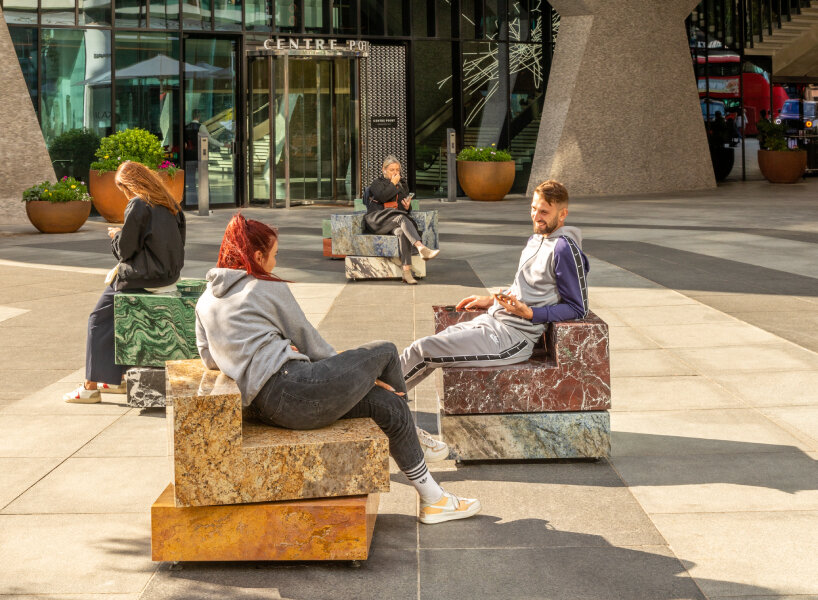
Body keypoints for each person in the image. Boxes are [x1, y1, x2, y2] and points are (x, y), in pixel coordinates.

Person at [194, 214, 480, 525]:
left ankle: (433, 499)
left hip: (264, 407)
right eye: (274, 255)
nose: (276, 262)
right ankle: (415, 436)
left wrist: (262, 351)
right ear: (258, 256)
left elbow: (209, 358)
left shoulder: (205, 300)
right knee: (385, 351)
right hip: (295, 389)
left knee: (389, 405)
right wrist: (356, 375)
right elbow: (311, 343)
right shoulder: (262, 286)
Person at [401, 179, 589, 389]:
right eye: (533, 208)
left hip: (513, 338)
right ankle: (384, 401)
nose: (536, 216)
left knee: (423, 350)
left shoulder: (564, 249)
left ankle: (375, 399)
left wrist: (530, 314)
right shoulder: (535, 240)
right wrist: (492, 300)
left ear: (562, 214)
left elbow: (578, 308)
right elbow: (524, 287)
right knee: (420, 351)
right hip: (493, 321)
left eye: (544, 212)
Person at [64, 161, 186, 403]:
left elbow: (125, 251)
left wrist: (116, 235)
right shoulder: (172, 204)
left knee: (98, 320)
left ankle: (90, 387)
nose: (124, 194)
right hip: (169, 277)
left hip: (143, 277)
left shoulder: (139, 204)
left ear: (130, 185)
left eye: (123, 188)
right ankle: (118, 379)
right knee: (117, 320)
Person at [365, 155, 439, 285]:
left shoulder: (402, 184)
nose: (395, 173)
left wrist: (407, 206)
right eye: (391, 170)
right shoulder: (377, 183)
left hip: (394, 220)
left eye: (397, 170)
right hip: (378, 219)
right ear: (384, 170)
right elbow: (382, 197)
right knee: (400, 217)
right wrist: (393, 184)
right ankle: (421, 247)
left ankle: (406, 272)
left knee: (401, 232)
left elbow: (404, 209)